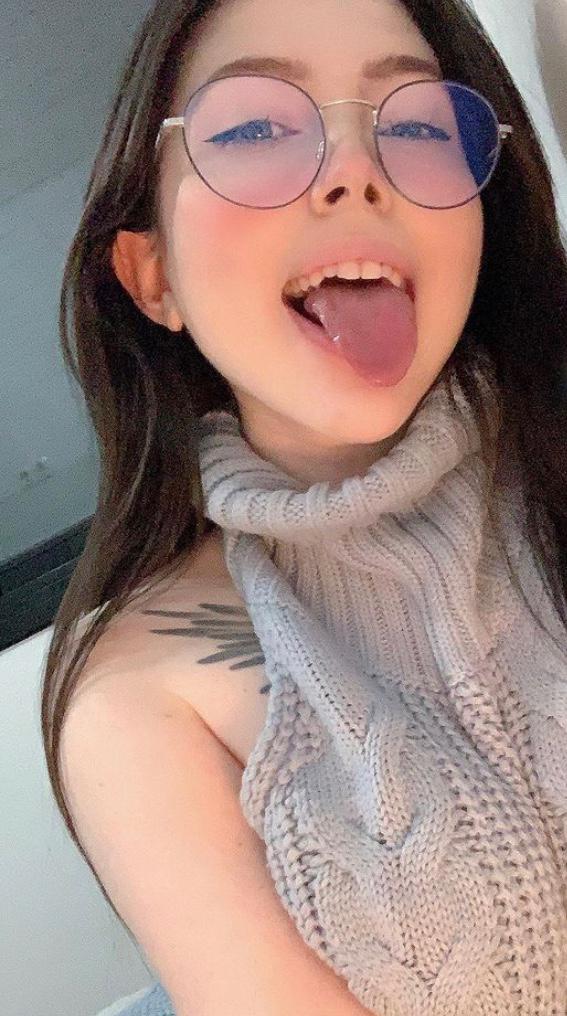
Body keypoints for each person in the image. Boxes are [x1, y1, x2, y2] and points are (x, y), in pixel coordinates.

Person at [41, 0, 567, 1013]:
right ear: (152, 277)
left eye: (417, 124)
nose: (356, 169)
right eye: (252, 127)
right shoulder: (139, 703)